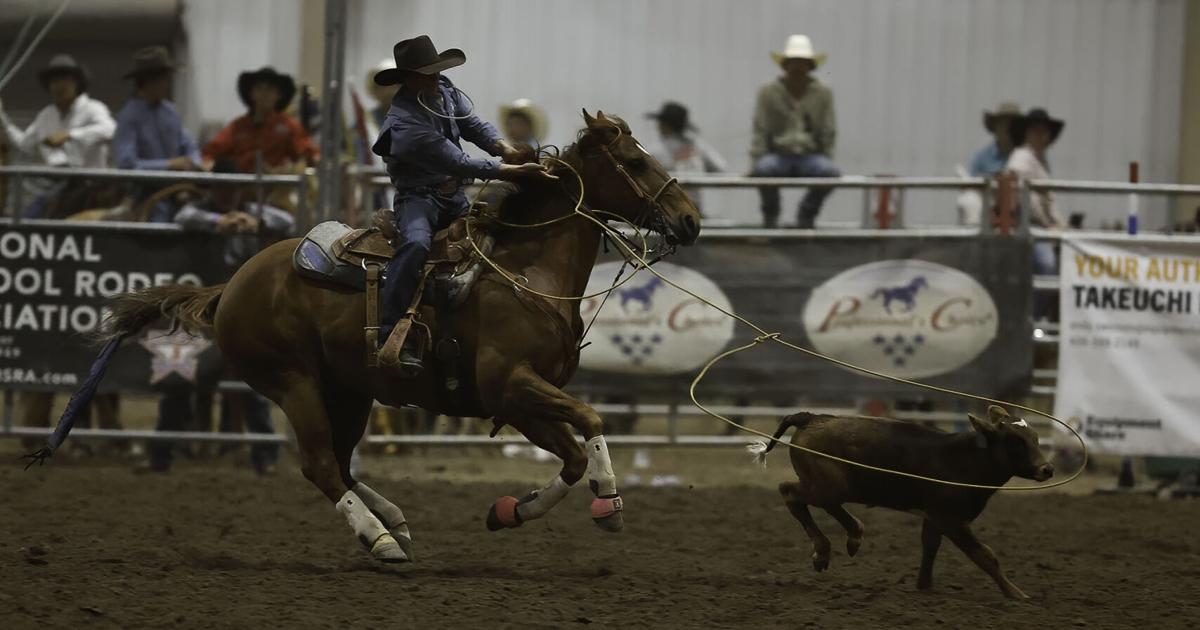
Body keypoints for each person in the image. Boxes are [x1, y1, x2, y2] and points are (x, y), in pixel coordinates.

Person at [371, 35, 556, 374]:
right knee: (415, 244)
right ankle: (390, 331)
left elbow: (471, 124)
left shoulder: (443, 89)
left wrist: (502, 146)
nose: (434, 77)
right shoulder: (404, 122)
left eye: (436, 70)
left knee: (499, 231)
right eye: (427, 73)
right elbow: (455, 159)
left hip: (454, 195)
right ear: (409, 79)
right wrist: (509, 168)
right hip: (419, 198)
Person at [0, 54, 115, 217]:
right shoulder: (46, 116)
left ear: (76, 83)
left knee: (40, 214)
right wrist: (1, 116)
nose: (58, 86)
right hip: (57, 185)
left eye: (65, 80)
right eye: (54, 81)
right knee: (29, 218)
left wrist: (70, 135)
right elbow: (25, 144)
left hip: (91, 185)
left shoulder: (93, 108)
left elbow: (110, 130)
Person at [750, 34, 840, 229]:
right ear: (785, 65)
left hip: (809, 155)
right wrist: (756, 159)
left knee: (830, 172)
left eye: (802, 62)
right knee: (763, 169)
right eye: (794, 62)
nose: (798, 67)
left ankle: (806, 213)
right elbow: (760, 129)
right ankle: (771, 215)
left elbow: (828, 129)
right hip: (778, 155)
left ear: (810, 66)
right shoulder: (768, 92)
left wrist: (826, 155)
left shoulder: (822, 93)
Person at [112, 46, 205, 222]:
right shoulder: (129, 117)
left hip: (179, 188)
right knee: (159, 217)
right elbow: (127, 164)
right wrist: (169, 165)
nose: (167, 84)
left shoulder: (170, 111)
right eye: (163, 79)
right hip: (147, 194)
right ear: (148, 82)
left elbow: (188, 144)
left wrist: (195, 162)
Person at [202, 67, 317, 174]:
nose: (265, 94)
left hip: (274, 189)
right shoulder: (237, 127)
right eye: (260, 88)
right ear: (251, 94)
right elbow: (210, 152)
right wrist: (209, 164)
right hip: (240, 188)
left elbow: (308, 154)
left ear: (278, 95)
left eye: (270, 89)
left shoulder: (288, 126)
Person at [969, 102, 1021, 178]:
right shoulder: (980, 159)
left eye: (1013, 125)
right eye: (1003, 124)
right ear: (995, 128)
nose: (1008, 129)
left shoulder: (1030, 158)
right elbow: (972, 188)